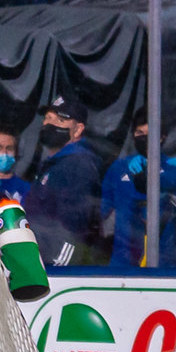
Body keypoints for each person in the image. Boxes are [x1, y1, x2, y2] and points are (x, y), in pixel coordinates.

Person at [24, 94, 108, 266]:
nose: (49, 124)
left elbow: (74, 230)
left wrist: (58, 268)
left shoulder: (78, 165)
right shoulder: (54, 164)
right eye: (48, 118)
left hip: (57, 268)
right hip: (39, 261)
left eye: (60, 121)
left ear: (77, 130)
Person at [100, 108, 176, 266]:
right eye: (139, 133)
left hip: (163, 264)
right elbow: (102, 212)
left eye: (150, 133)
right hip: (122, 263)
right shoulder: (119, 168)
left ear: (162, 137)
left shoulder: (174, 170)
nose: (144, 138)